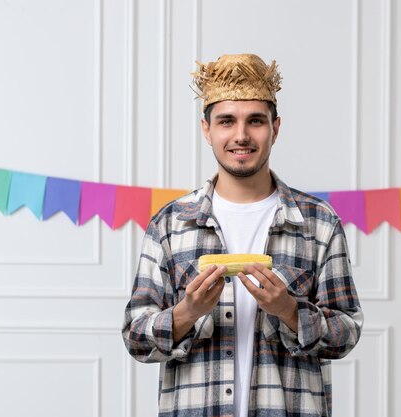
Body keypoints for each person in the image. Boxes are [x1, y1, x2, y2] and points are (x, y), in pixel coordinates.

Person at [122, 53, 363, 417]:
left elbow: (347, 332)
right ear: (207, 130)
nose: (241, 135)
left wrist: (289, 311)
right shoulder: (170, 224)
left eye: (255, 121)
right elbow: (135, 337)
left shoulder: (319, 223)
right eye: (226, 121)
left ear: (275, 127)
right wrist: (187, 312)